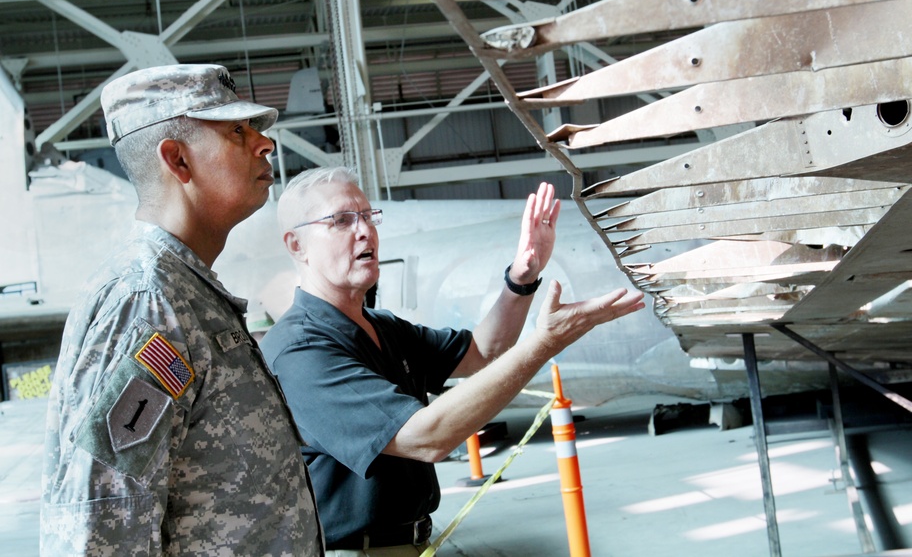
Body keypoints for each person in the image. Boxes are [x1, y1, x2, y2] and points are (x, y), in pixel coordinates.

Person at [260, 166, 645, 556]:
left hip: (409, 542)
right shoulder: (300, 349)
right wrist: (543, 344)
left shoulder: (383, 327)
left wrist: (522, 278)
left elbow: (482, 353)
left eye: (367, 216)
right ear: (297, 245)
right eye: (341, 220)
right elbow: (426, 438)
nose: (364, 230)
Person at [39, 64, 324, 556]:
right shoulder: (148, 304)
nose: (264, 143)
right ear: (178, 160)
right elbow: (102, 526)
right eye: (237, 130)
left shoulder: (183, 289)